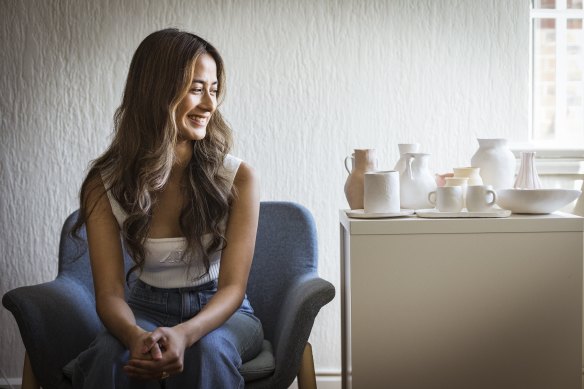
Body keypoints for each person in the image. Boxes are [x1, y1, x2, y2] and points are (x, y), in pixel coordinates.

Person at [69, 28, 264, 388]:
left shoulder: (237, 177)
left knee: (209, 352)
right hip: (143, 307)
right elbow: (110, 293)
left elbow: (233, 289)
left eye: (214, 89)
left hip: (222, 312)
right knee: (114, 356)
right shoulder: (105, 182)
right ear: (156, 91)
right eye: (195, 88)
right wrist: (132, 335)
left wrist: (187, 334)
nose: (210, 104)